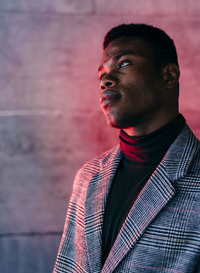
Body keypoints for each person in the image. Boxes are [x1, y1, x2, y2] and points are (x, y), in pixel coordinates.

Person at [53, 24, 200, 273]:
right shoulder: (88, 177)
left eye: (124, 64)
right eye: (102, 75)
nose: (106, 81)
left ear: (169, 76)